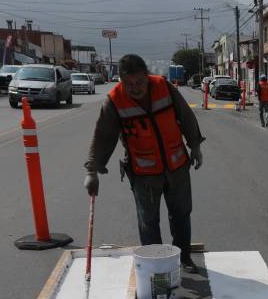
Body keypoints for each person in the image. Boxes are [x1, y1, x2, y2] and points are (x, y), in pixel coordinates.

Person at [83, 54, 204, 270]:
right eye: (128, 83)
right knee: (148, 222)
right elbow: (103, 135)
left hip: (176, 166)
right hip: (143, 173)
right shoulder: (114, 101)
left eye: (139, 82)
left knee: (181, 214)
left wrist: (195, 146)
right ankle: (156, 265)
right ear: (120, 80)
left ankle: (183, 258)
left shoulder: (163, 87)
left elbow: (185, 116)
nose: (135, 88)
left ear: (147, 77)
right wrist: (92, 171)